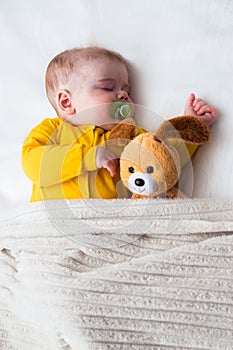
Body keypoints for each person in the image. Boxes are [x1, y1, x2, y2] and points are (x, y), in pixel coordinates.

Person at [21, 46, 218, 201]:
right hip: (55, 223)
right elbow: (33, 163)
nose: (123, 95)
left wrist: (190, 127)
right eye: (107, 87)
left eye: (127, 90)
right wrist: (89, 157)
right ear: (66, 102)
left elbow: (162, 157)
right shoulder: (52, 131)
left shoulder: (131, 135)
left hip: (112, 228)